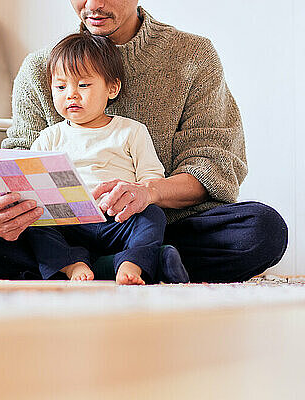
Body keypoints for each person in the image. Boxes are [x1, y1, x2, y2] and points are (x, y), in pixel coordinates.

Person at [0, 0, 289, 283]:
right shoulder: (41, 68)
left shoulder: (193, 57)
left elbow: (214, 163)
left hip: (155, 225)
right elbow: (20, 160)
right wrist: (6, 210)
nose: (93, 5)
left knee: (262, 230)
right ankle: (131, 268)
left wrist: (149, 193)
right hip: (60, 229)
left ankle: (105, 265)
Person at [25, 32, 188, 285]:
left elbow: (150, 180)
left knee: (153, 215)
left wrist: (139, 195)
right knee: (34, 224)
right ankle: (72, 264)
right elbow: (31, 185)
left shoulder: (130, 131)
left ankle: (130, 263)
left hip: (120, 220)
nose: (71, 94)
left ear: (112, 88)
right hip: (70, 224)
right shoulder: (49, 138)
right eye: (61, 86)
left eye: (83, 85)